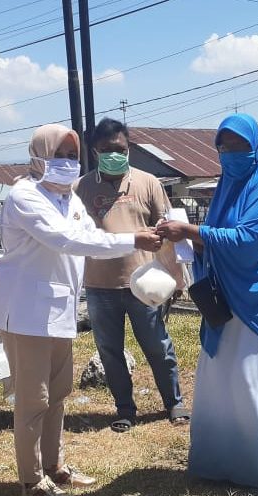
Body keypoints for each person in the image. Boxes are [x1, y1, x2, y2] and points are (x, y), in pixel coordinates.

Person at [0, 124, 162, 496]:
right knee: (33, 400)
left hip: (59, 309)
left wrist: (131, 240)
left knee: (59, 393)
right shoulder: (25, 196)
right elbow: (66, 239)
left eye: (72, 156)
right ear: (38, 156)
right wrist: (133, 238)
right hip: (26, 313)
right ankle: (31, 485)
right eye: (59, 156)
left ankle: (55, 466)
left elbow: (92, 240)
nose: (68, 164)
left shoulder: (69, 198)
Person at [156, 113, 258, 495]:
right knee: (230, 377)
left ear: (255, 146)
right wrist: (188, 239)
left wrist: (190, 231)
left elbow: (248, 239)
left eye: (238, 145)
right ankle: (228, 462)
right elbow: (218, 239)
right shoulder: (227, 186)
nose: (230, 152)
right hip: (231, 294)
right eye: (224, 145)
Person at [75, 118, 189, 433]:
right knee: (109, 351)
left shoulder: (148, 182)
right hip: (100, 285)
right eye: (107, 149)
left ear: (128, 148)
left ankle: (174, 403)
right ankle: (125, 409)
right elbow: (72, 235)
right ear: (95, 150)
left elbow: (168, 229)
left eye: (121, 149)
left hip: (145, 283)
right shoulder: (81, 188)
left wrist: (175, 277)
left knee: (157, 345)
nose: (115, 154)